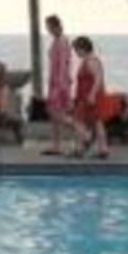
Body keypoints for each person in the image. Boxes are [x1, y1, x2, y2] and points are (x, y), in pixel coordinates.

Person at [71, 36, 109, 159]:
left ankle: (85, 141)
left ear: (82, 48)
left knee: (78, 121)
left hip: (89, 96)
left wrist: (92, 94)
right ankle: (102, 149)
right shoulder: (87, 60)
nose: (76, 53)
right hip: (86, 96)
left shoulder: (92, 61)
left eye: (76, 50)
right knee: (96, 122)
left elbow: (98, 79)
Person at [44, 15, 74, 156]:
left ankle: (84, 132)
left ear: (55, 26)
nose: (48, 30)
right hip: (54, 82)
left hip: (59, 83)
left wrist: (61, 84)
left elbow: (63, 64)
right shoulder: (56, 41)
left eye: (49, 26)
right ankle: (56, 145)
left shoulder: (62, 41)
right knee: (53, 115)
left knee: (58, 113)